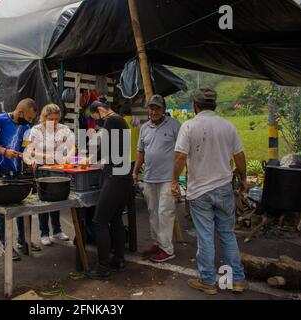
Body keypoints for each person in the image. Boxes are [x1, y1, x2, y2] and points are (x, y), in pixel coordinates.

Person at [172, 88, 248, 295]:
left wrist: (173, 181)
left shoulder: (189, 126)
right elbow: (239, 156)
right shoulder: (228, 126)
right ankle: (237, 280)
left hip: (200, 191)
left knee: (205, 236)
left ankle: (208, 281)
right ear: (214, 105)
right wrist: (244, 179)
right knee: (227, 234)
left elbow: (180, 157)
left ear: (195, 106)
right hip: (224, 187)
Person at [0, 98, 39, 261]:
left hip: (17, 173)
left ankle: (24, 240)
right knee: (1, 213)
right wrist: (4, 151)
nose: (30, 122)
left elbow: (25, 148)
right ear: (20, 112)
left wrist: (30, 159)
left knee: (23, 208)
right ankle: (6, 245)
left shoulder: (26, 127)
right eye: (28, 118)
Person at [85, 100, 132, 280]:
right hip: (123, 176)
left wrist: (89, 159)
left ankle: (103, 267)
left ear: (100, 110)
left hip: (115, 176)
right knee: (115, 219)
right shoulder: (120, 120)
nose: (96, 121)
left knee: (99, 221)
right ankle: (118, 259)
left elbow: (104, 147)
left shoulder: (111, 120)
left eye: (95, 116)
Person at [133, 95, 181, 262]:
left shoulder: (174, 125)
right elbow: (141, 152)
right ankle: (157, 243)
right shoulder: (145, 128)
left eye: (157, 108)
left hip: (168, 178)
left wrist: (179, 176)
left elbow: (182, 151)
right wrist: (135, 171)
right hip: (149, 177)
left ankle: (167, 249)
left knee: (165, 212)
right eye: (151, 108)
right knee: (153, 212)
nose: (153, 111)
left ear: (163, 110)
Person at [24, 104, 72, 246]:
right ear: (44, 117)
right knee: (44, 202)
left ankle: (57, 231)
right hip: (41, 169)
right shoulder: (35, 130)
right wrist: (46, 156)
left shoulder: (63, 129)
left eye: (57, 119)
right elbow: (29, 150)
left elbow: (72, 146)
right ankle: (44, 233)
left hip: (57, 168)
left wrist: (68, 155)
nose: (54, 122)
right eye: (51, 119)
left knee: (56, 199)